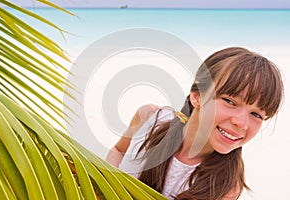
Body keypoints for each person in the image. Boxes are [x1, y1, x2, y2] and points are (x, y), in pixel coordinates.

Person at [106, 47, 284, 199]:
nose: (242, 123)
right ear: (197, 96)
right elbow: (118, 150)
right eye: (230, 101)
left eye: (257, 114)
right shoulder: (150, 118)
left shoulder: (225, 188)